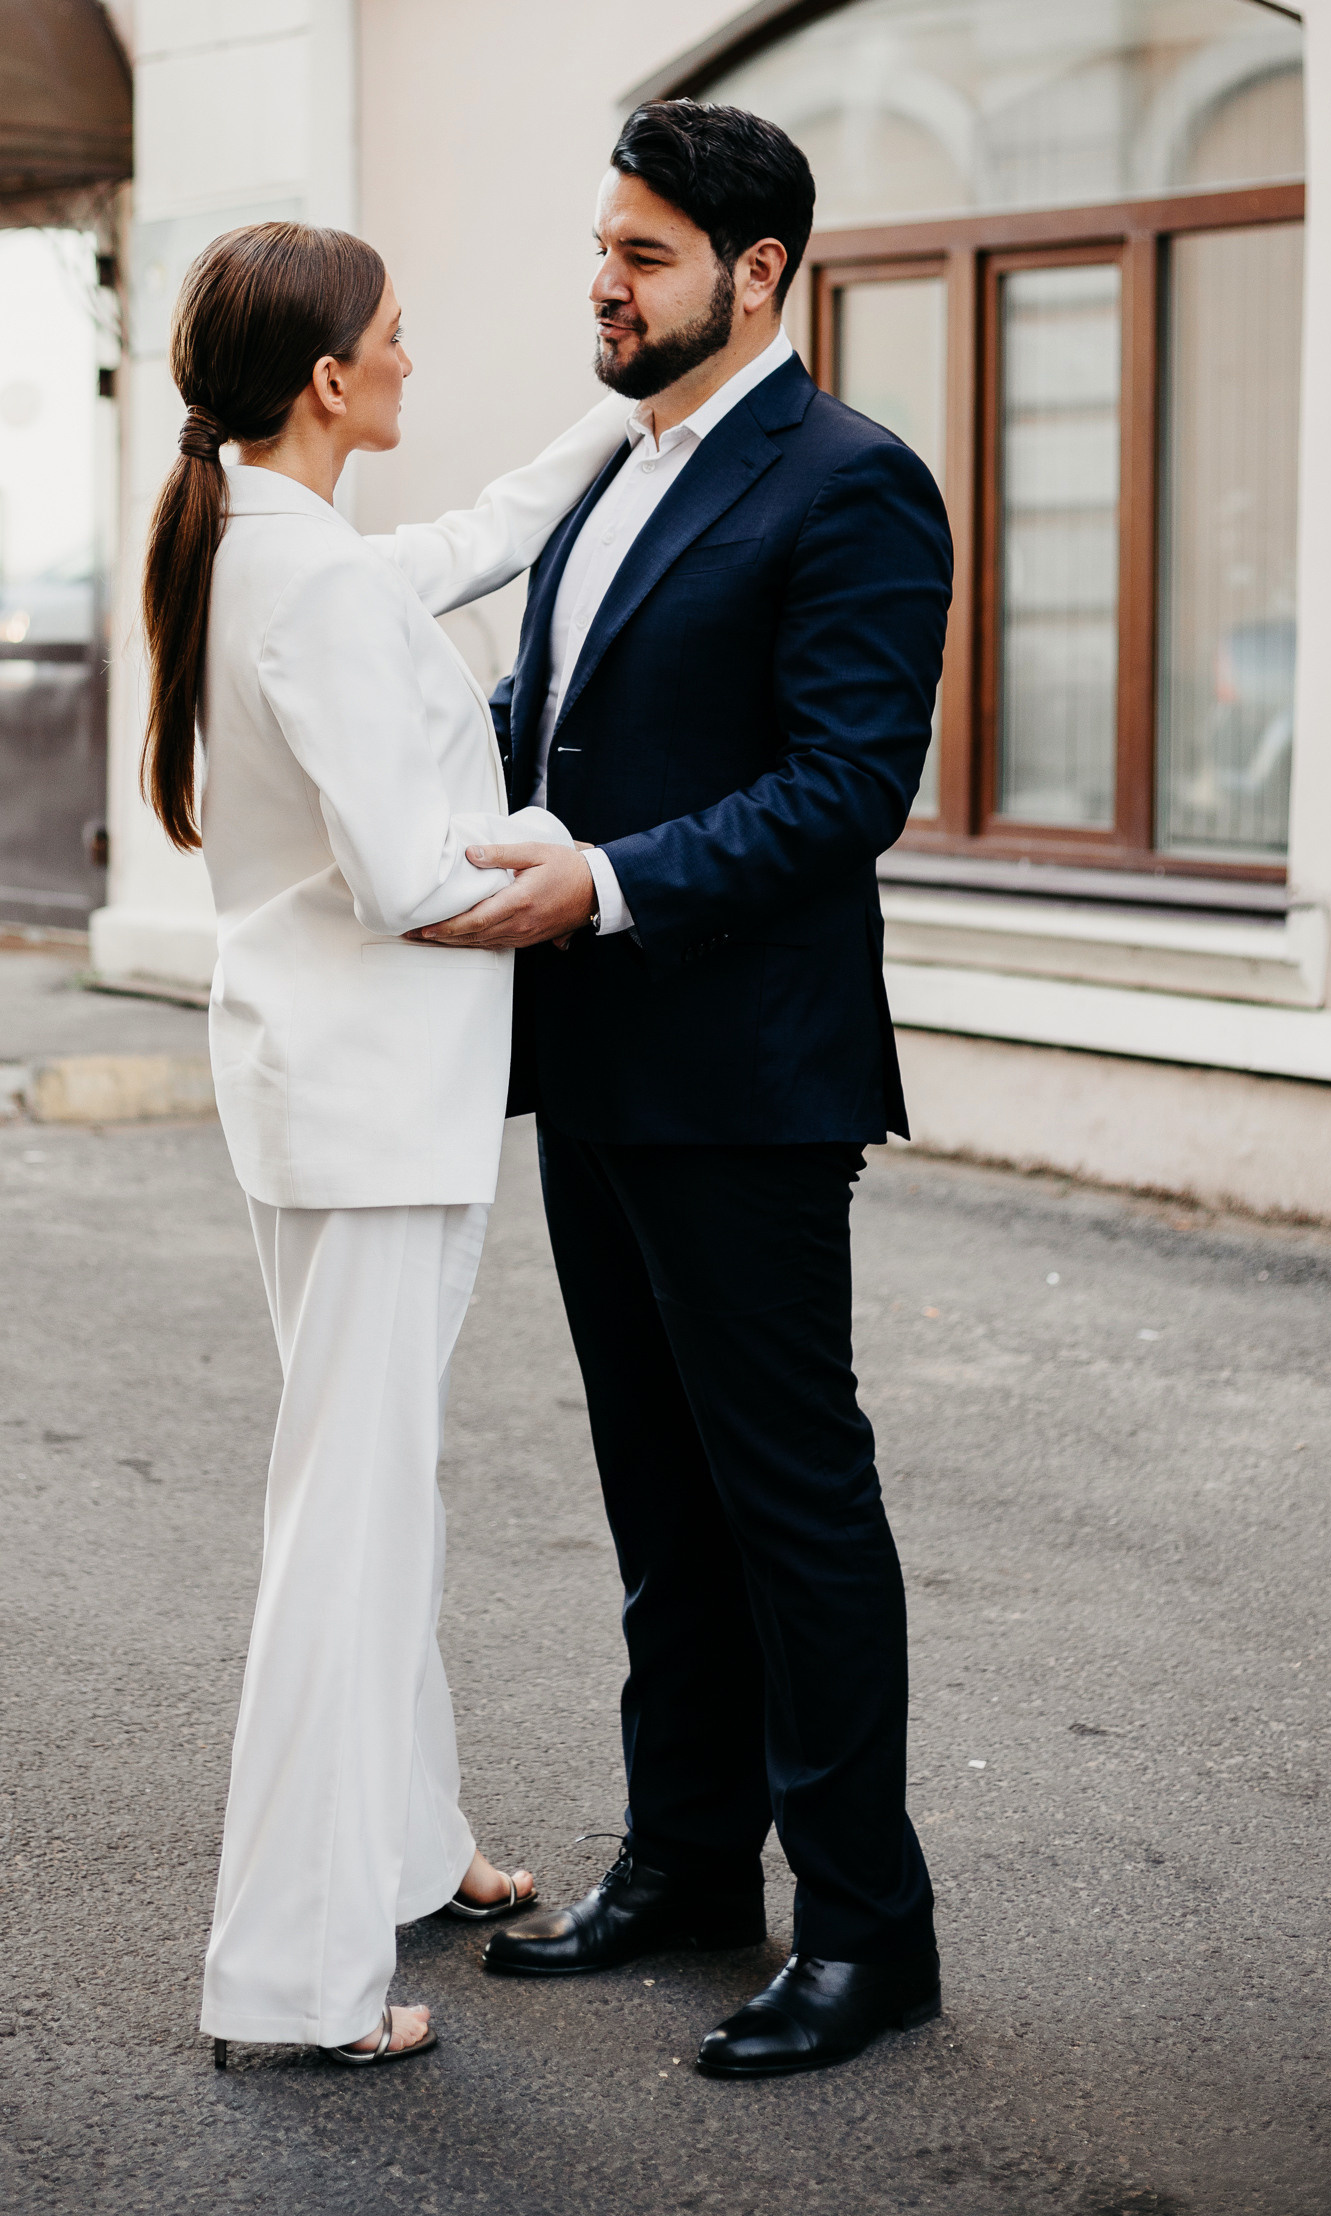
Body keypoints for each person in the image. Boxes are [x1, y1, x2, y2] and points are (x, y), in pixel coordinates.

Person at [411, 100, 954, 2081]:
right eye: (601, 247)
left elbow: (843, 788)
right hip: (594, 1061)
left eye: (642, 257)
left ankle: (867, 1930)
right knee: (661, 1504)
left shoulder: (852, 483)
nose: (602, 285)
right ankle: (689, 1864)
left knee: (790, 1503)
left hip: (743, 1076)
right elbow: (541, 717)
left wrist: (610, 882)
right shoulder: (612, 476)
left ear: (757, 274)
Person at [140, 218, 625, 2072]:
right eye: (401, 340)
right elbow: (408, 880)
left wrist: (623, 419)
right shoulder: (315, 584)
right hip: (377, 1113)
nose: (420, 359)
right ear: (331, 382)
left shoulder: (267, 539)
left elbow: (467, 537)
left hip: (314, 1091)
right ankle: (296, 1981)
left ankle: (411, 1847)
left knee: (376, 1496)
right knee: (343, 1536)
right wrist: (562, 849)